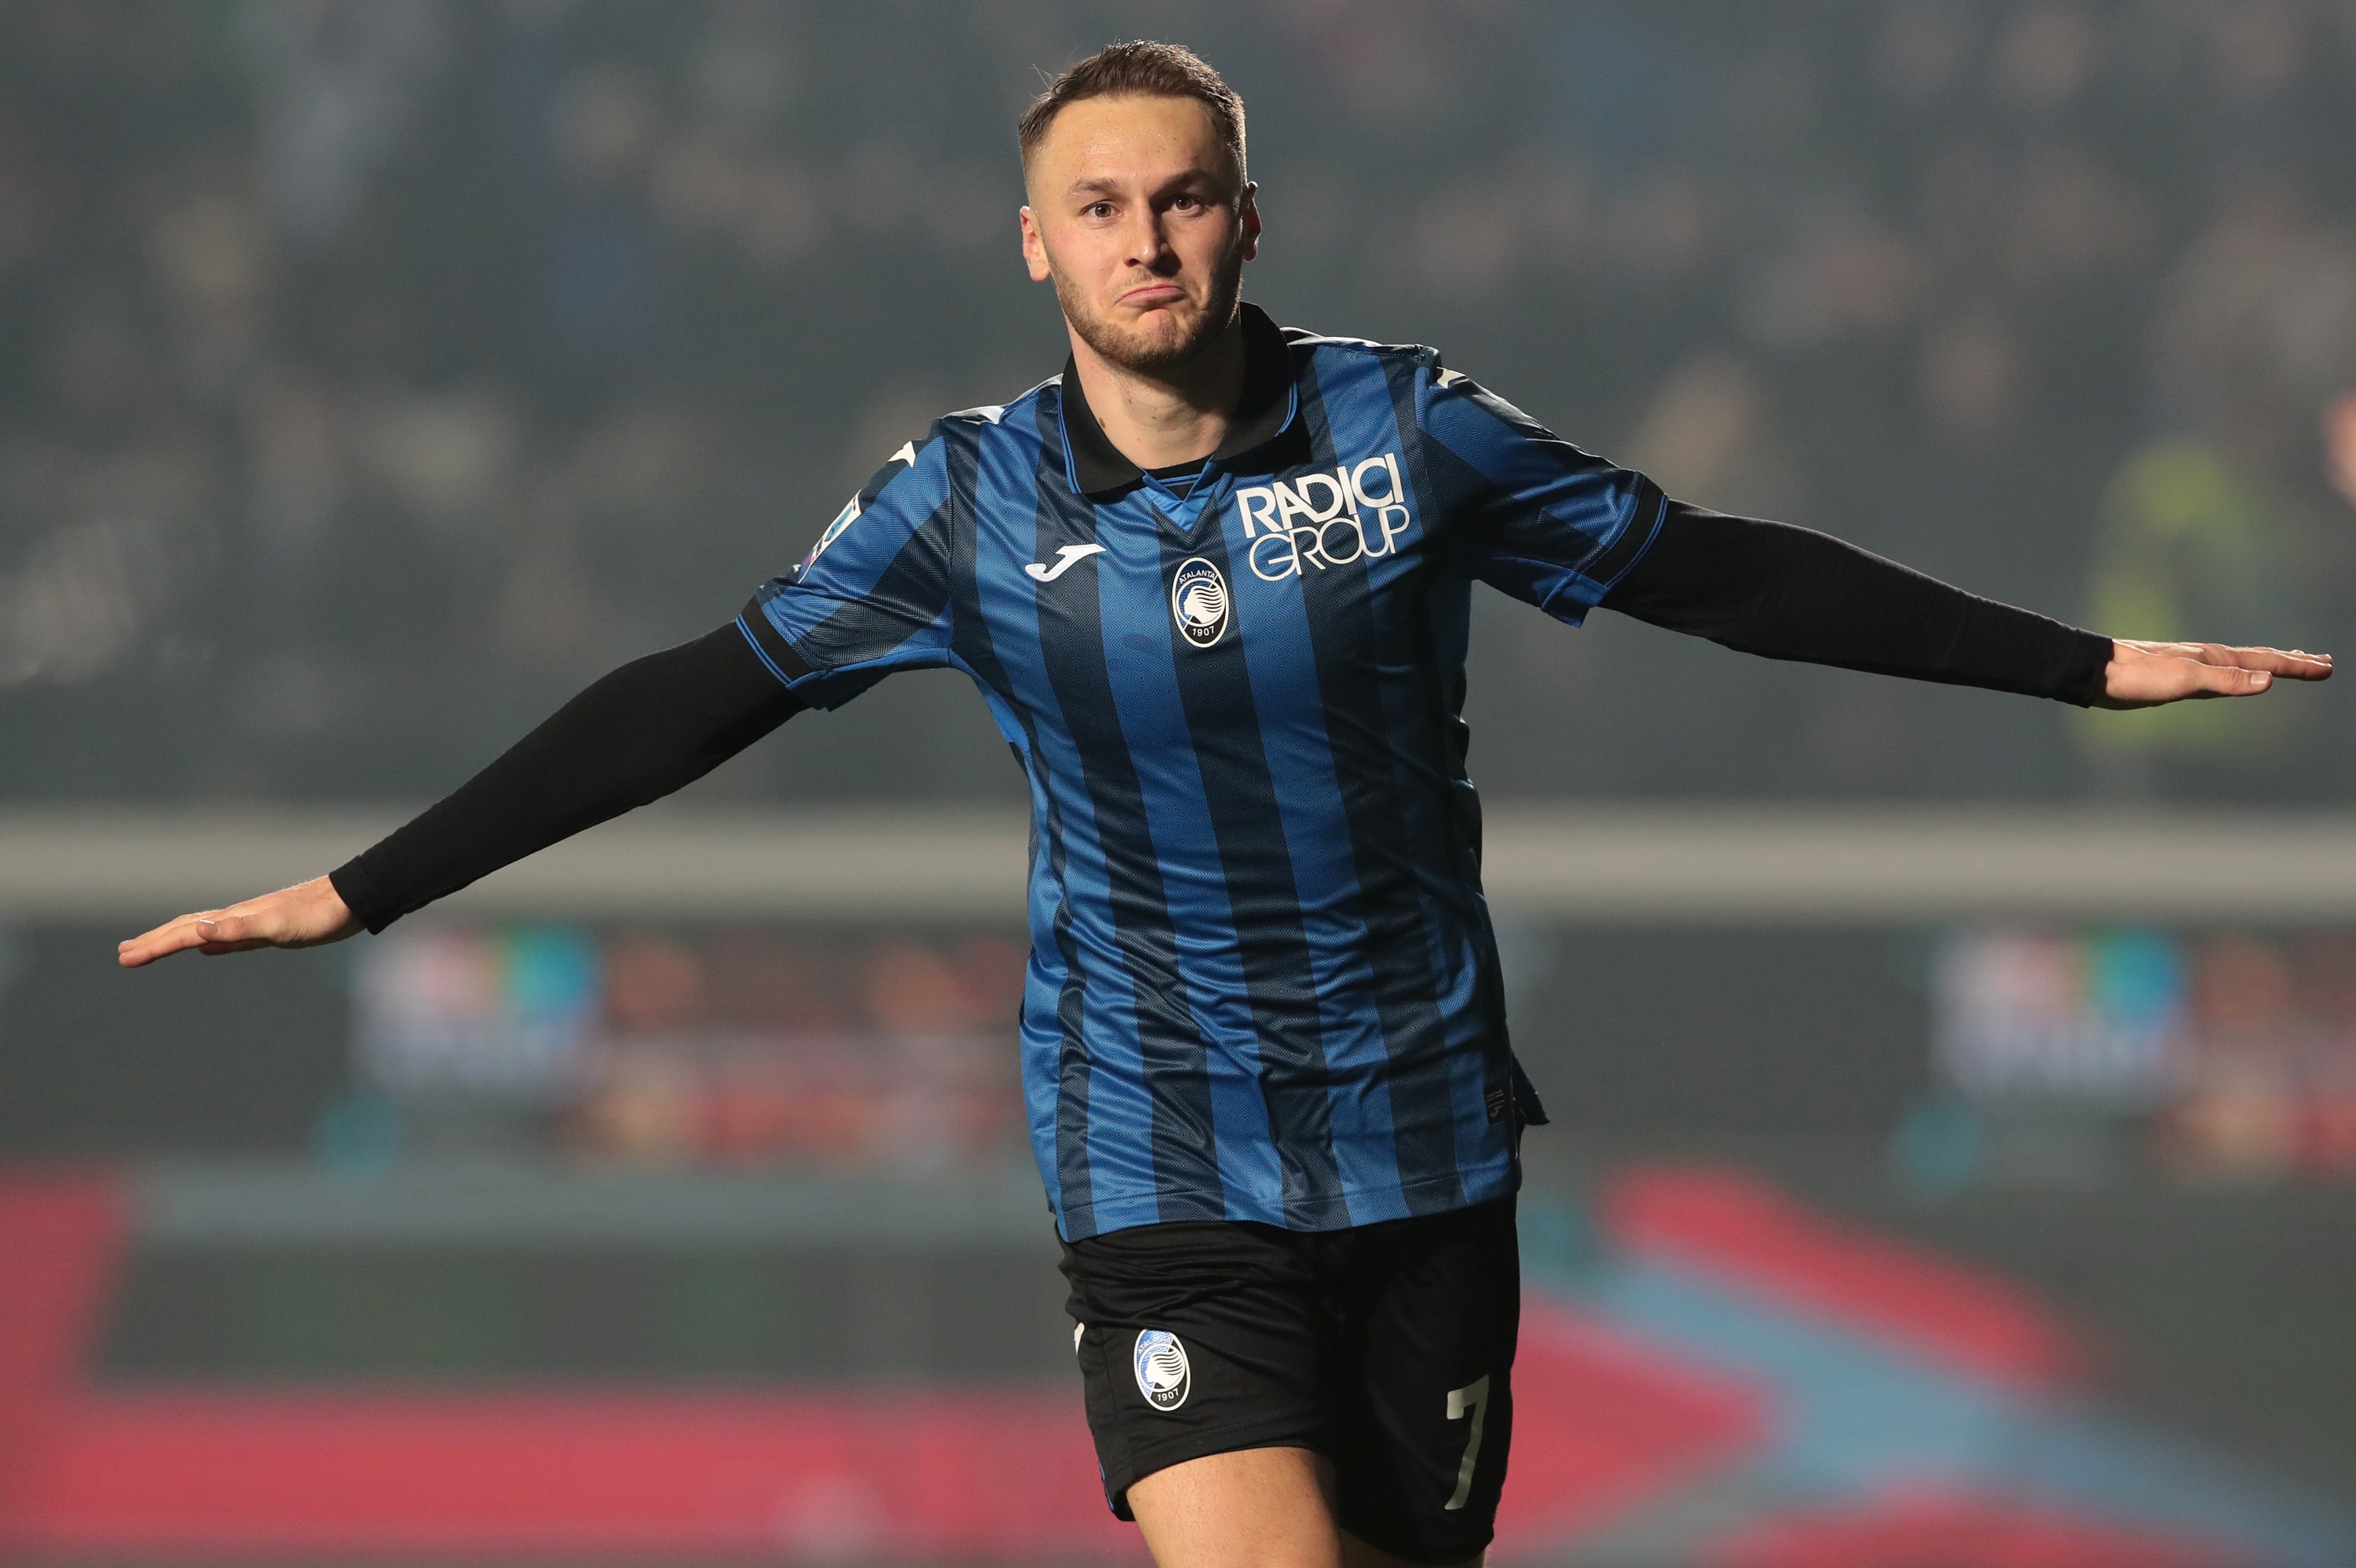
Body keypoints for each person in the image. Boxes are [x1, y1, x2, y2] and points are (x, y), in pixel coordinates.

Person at [119, 41, 2329, 1568]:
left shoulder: (1406, 434)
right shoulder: (960, 505)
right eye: (1101, 209)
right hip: (1156, 1151)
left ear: (1247, 221)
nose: (1147, 243)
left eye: (1182, 201)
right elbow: (694, 699)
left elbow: (1711, 569)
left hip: (1424, 1139)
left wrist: (2082, 661)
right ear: (1034, 247)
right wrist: (369, 887)